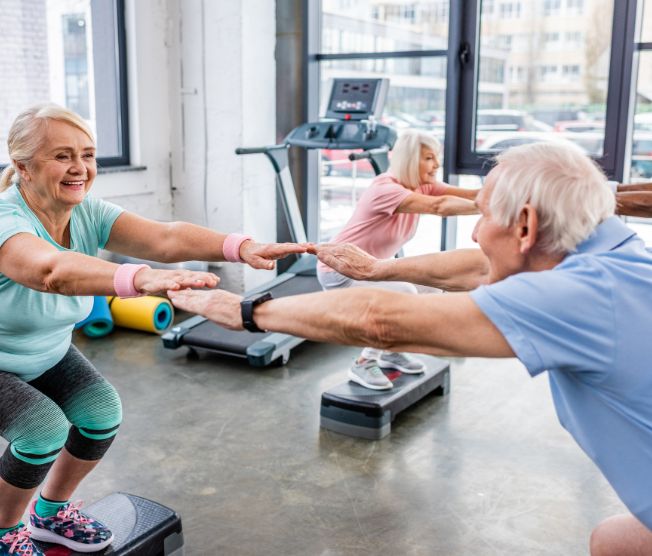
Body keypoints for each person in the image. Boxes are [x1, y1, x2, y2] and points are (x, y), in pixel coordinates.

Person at [168, 142, 652, 556]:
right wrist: (381, 270)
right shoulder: (614, 251)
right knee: (614, 542)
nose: (477, 232)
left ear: (525, 226)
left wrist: (248, 313)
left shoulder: (578, 298)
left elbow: (381, 322)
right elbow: (477, 268)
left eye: (483, 216)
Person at [0, 104, 307, 555]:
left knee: (101, 413)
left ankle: (50, 515)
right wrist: (140, 279)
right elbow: (50, 271)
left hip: (44, 350)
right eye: (62, 156)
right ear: (23, 167)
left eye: (87, 154)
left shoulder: (84, 212)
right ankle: (5, 533)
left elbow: (165, 237)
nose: (80, 168)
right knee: (42, 430)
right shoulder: (8, 221)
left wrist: (243, 247)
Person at [317, 129, 478, 390]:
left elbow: (463, 195)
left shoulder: (420, 184)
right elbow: (439, 207)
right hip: (340, 270)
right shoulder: (385, 189)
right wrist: (488, 207)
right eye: (429, 158)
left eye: (436, 158)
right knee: (404, 292)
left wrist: (502, 193)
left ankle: (390, 351)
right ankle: (363, 362)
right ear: (410, 159)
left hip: (372, 269)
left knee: (432, 286)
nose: (437, 164)